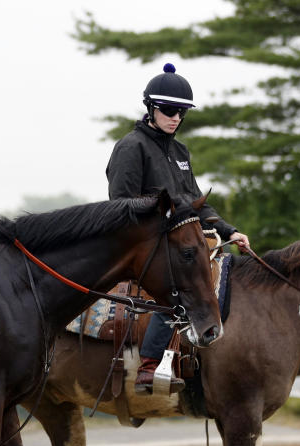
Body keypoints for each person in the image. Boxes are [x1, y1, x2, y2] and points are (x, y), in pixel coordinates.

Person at [106, 63, 250, 394]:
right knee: (181, 284)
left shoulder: (180, 151)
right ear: (151, 108)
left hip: (178, 238)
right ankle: (149, 365)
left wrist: (229, 232)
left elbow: (196, 202)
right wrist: (163, 221)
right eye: (169, 110)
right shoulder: (131, 147)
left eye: (181, 112)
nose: (176, 118)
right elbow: (120, 205)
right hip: (140, 241)